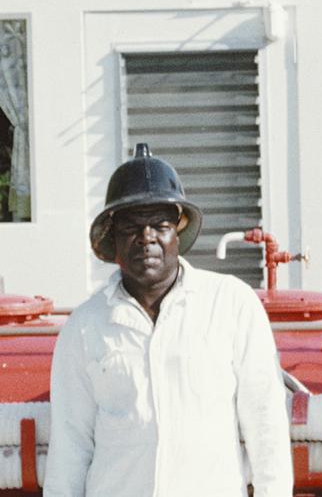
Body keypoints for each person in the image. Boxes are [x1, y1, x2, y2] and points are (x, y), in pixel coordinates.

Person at [45, 143, 291, 497]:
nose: (146, 238)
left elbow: (265, 425)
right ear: (112, 237)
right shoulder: (84, 327)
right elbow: (70, 447)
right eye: (131, 226)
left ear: (179, 228)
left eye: (159, 224)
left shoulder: (231, 305)